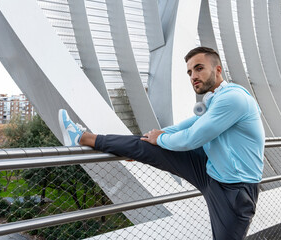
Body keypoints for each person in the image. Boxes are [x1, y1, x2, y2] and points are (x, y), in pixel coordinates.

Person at [58, 47, 265, 240]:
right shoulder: (217, 99)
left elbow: (192, 138)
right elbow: (185, 126)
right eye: (190, 72)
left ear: (218, 70)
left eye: (199, 68)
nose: (193, 76)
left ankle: (87, 138)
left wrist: (160, 139)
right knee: (150, 144)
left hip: (235, 190)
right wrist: (155, 138)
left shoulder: (233, 99)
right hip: (211, 172)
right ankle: (82, 137)